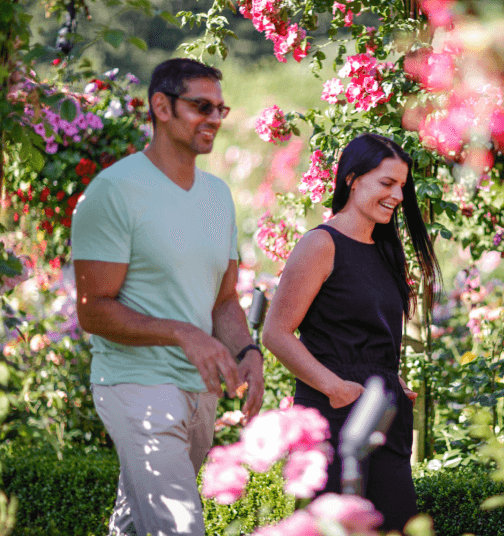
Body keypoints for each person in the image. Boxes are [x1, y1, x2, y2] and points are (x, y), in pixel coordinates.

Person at [71, 58, 264, 536]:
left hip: (199, 391)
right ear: (161, 106)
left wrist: (247, 351)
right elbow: (94, 310)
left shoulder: (218, 196)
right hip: (135, 385)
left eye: (221, 108)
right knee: (179, 525)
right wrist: (182, 333)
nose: (215, 119)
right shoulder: (113, 192)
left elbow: (223, 301)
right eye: (202, 106)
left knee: (138, 520)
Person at [262, 133, 441, 533]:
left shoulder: (384, 249)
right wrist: (335, 387)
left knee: (394, 525)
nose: (397, 195)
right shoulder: (320, 245)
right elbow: (276, 333)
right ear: (352, 179)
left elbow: (368, 332)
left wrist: (390, 378)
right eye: (387, 183)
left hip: (383, 411)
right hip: (334, 412)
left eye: (402, 186)